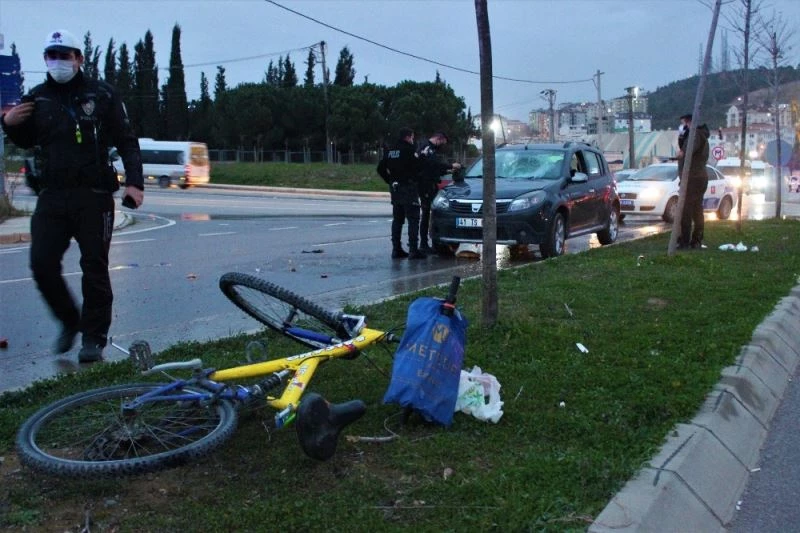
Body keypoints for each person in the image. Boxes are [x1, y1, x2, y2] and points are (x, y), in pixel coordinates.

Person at [0, 29, 144, 363]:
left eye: (65, 55)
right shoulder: (37, 99)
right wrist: (9, 123)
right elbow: (24, 140)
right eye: (52, 55)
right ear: (45, 60)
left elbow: (126, 140)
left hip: (93, 196)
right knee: (41, 264)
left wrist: (134, 183)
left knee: (94, 266)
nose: (59, 61)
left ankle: (93, 338)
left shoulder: (102, 95)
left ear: (79, 58)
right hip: (52, 196)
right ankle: (69, 319)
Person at [377, 127, 425, 259]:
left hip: (395, 189)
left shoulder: (391, 151)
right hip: (408, 188)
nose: (413, 140)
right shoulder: (409, 150)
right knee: (413, 219)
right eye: (412, 138)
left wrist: (390, 180)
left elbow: (380, 168)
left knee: (398, 220)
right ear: (408, 137)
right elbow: (418, 167)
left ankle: (396, 249)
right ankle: (413, 250)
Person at [416, 132, 461, 253]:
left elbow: (435, 168)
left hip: (430, 183)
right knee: (426, 214)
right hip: (425, 184)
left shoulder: (429, 148)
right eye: (442, 143)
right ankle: (424, 244)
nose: (442, 146)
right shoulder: (427, 148)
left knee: (432, 213)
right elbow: (433, 164)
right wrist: (451, 165)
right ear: (438, 139)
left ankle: (432, 242)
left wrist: (448, 170)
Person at [676, 113, 709, 250]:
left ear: (690, 122)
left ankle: (686, 240)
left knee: (686, 210)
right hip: (697, 176)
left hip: (693, 178)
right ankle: (696, 239)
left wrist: (682, 152)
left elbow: (688, 150)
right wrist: (682, 137)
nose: (684, 126)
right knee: (696, 210)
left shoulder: (696, 134)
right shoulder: (698, 134)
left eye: (685, 123)